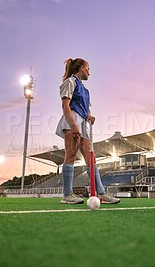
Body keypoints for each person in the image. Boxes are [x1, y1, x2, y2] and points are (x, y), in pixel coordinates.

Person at [56, 58, 120, 205]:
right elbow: (65, 106)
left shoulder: (85, 90)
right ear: (82, 68)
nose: (89, 72)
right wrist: (73, 125)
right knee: (70, 155)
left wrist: (89, 115)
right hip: (72, 120)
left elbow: (86, 107)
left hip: (83, 122)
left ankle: (102, 194)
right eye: (88, 68)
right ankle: (67, 195)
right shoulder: (69, 82)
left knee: (91, 159)